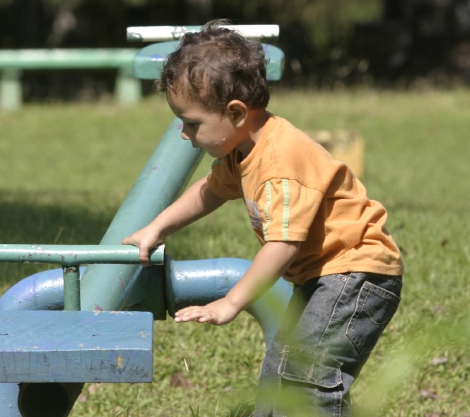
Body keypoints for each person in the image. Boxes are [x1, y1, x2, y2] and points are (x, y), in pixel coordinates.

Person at [122, 20, 404, 416]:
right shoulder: (242, 149)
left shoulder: (278, 162)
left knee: (310, 372)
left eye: (191, 123)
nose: (184, 135)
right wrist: (156, 228)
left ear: (236, 113)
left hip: (357, 273)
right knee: (280, 364)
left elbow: (282, 245)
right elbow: (210, 191)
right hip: (324, 275)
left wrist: (231, 302)